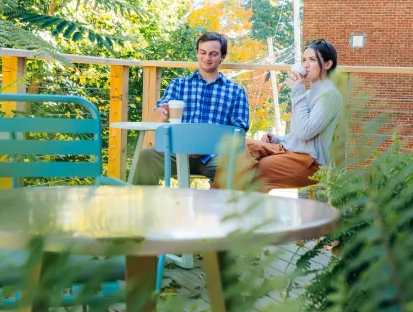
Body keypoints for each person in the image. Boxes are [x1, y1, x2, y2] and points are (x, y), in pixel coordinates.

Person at [132, 31, 250, 185]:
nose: (207, 58)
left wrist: (210, 146)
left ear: (223, 57)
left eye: (213, 54)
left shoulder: (236, 91)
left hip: (215, 155)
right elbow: (160, 109)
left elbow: (239, 130)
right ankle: (147, 208)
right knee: (146, 157)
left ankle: (215, 209)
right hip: (177, 152)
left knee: (233, 170)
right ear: (197, 53)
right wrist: (161, 112)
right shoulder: (179, 85)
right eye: (203, 52)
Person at [224, 39, 343, 192]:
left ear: (327, 64)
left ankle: (220, 206)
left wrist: (298, 90)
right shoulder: (307, 94)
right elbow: (297, 135)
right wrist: (277, 139)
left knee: (252, 169)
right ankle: (220, 203)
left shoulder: (330, 95)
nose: (305, 65)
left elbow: (304, 133)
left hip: (310, 164)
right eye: (304, 60)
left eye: (312, 60)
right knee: (240, 145)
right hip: (289, 151)